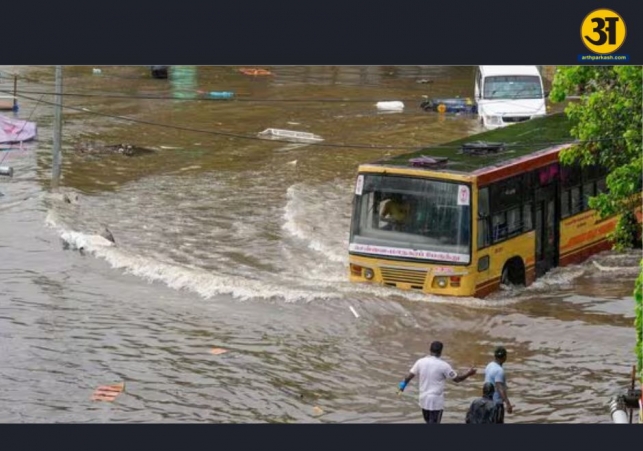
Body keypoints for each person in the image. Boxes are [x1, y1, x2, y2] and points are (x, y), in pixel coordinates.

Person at [398, 341, 476, 424]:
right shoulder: (444, 365)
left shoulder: (420, 362)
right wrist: (468, 374)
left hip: (423, 399)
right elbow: (457, 379)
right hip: (435, 401)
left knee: (428, 421)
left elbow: (408, 377)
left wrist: (402, 387)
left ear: (430, 349)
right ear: (441, 351)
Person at [484, 346, 513, 423]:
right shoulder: (499, 371)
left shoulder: (489, 365)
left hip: (487, 401)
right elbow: (499, 386)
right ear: (504, 357)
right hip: (496, 403)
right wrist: (508, 403)